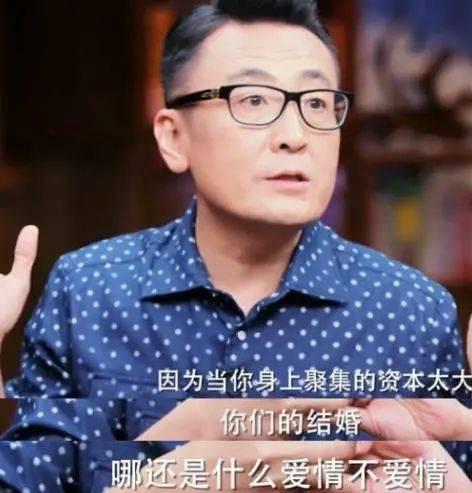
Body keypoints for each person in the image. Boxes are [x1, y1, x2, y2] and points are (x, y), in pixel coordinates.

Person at [0, 0, 471, 490]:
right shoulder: (90, 292)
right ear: (174, 137)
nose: (294, 136)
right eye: (253, 101)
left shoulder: (413, 313)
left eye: (316, 103)